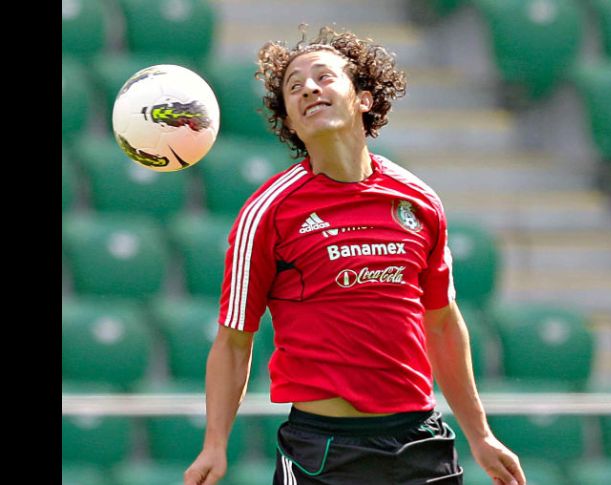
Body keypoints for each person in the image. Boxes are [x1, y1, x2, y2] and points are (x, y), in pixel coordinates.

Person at [184, 25, 526, 485]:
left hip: (420, 443)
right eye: (294, 87)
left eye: (324, 77)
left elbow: (443, 324)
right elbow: (233, 342)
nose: (309, 88)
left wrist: (481, 435)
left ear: (364, 98)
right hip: (324, 452)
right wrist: (214, 444)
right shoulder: (268, 212)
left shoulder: (419, 200)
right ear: (290, 123)